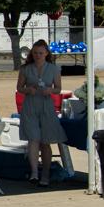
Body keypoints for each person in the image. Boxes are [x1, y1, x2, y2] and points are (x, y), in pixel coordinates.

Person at [17, 40, 65, 185]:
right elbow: (19, 87)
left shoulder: (53, 69)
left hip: (46, 105)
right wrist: (27, 90)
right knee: (33, 139)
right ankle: (34, 173)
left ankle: (45, 174)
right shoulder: (25, 69)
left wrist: (50, 90)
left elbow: (58, 88)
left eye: (41, 53)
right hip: (30, 105)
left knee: (45, 142)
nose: (38, 55)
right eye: (36, 53)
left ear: (46, 54)